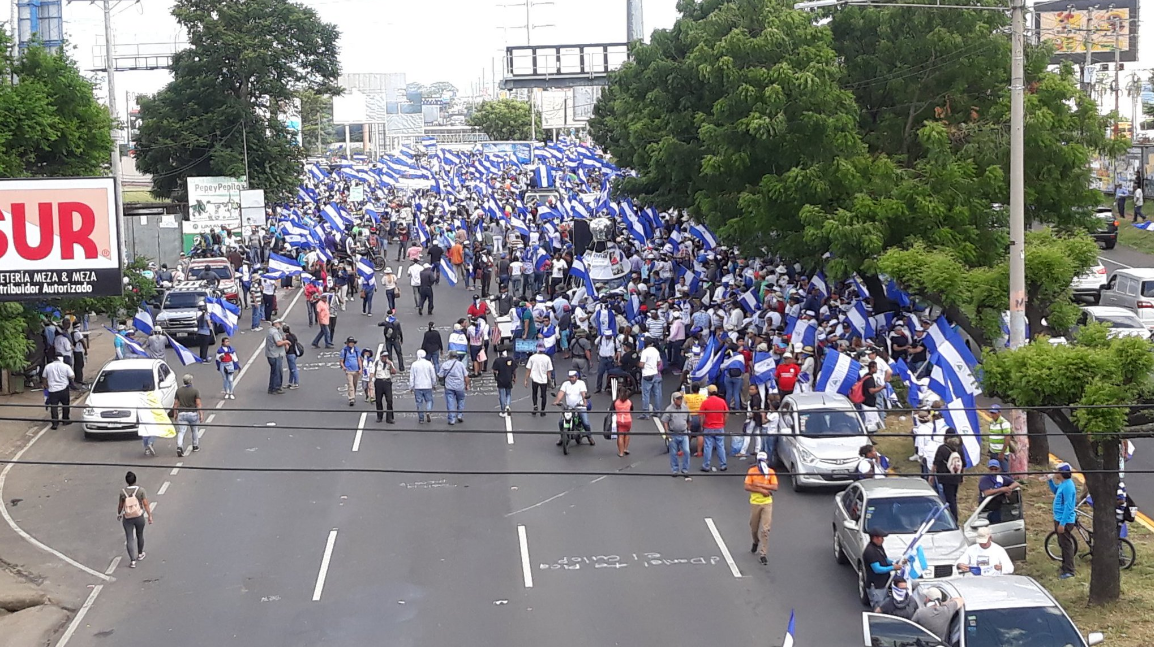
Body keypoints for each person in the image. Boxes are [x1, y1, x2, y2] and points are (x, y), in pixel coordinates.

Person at [745, 450, 778, 565]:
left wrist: (759, 485)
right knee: (754, 528)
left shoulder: (770, 472)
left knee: (765, 529)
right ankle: (755, 541)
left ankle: (763, 553)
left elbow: (774, 486)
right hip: (755, 502)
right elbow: (747, 486)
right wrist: (762, 490)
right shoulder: (752, 471)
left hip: (767, 503)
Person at [117, 471, 153, 569]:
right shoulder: (141, 490)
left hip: (127, 517)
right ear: (135, 480)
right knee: (139, 534)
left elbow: (120, 505)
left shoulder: (122, 492)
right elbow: (145, 504)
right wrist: (149, 515)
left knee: (129, 538)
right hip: (139, 516)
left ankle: (132, 561)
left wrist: (119, 513)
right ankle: (140, 554)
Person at [1049, 462, 1078, 579]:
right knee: (1062, 543)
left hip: (1064, 520)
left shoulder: (1069, 486)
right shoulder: (1063, 484)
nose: (1055, 473)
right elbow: (1056, 491)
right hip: (1058, 518)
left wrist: (1062, 523)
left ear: (1062, 474)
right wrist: (1050, 481)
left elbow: (1068, 506)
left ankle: (1069, 570)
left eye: (1057, 472)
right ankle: (1064, 566)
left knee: (1066, 545)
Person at [862, 529, 903, 609]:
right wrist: (893, 567)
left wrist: (896, 562)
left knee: (885, 604)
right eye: (881, 538)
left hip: (883, 583)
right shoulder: (870, 551)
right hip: (876, 586)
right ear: (875, 538)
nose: (883, 540)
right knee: (879, 607)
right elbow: (877, 569)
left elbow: (886, 560)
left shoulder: (879, 547)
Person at [932, 431, 964, 521]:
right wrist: (961, 477)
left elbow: (936, 463)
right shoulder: (959, 449)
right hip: (956, 477)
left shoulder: (942, 448)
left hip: (945, 478)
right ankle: (954, 516)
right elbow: (963, 464)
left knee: (948, 499)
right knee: (953, 497)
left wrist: (931, 475)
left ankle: (952, 518)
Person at [977, 460, 1020, 524]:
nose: (993, 471)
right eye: (991, 469)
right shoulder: (985, 479)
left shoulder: (1002, 478)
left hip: (1000, 507)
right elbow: (986, 493)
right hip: (987, 508)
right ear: (988, 469)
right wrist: (1001, 489)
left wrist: (1009, 489)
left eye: (996, 469)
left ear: (999, 469)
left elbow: (1016, 483)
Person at [698, 385, 729, 472]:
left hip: (708, 427)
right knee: (720, 446)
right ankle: (723, 465)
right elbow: (726, 413)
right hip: (719, 426)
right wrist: (723, 423)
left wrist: (702, 425)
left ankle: (706, 465)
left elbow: (701, 416)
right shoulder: (722, 401)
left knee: (708, 447)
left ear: (709, 392)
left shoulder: (705, 402)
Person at [171, 374, 202, 457]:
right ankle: (195, 445)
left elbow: (176, 404)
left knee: (181, 431)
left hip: (182, 413)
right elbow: (198, 403)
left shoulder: (179, 391)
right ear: (190, 381)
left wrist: (175, 414)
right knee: (194, 430)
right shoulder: (195, 391)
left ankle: (179, 446)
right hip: (192, 413)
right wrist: (201, 414)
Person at [661, 392, 692, 477]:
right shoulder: (669, 409)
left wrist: (688, 429)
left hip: (684, 432)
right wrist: (666, 432)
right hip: (673, 433)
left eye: (681, 398)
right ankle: (675, 470)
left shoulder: (685, 408)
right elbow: (665, 421)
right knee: (673, 453)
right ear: (674, 400)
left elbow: (689, 419)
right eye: (678, 399)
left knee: (686, 451)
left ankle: (685, 470)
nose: (680, 400)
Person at [438, 350, 470, 425]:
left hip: (449, 386)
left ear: (449, 356)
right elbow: (466, 375)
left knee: (450, 402)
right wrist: (467, 384)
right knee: (461, 400)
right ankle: (459, 415)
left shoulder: (445, 364)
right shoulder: (460, 364)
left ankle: (452, 419)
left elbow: (440, 375)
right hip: (459, 386)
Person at [44, 355, 75, 429]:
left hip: (52, 390)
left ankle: (55, 424)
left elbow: (44, 377)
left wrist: (45, 385)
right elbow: (72, 376)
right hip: (64, 389)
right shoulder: (66, 366)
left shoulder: (48, 366)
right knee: (65, 405)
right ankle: (65, 420)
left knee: (54, 407)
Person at [409, 349, 437, 423]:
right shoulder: (429, 363)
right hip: (427, 385)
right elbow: (433, 375)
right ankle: (428, 411)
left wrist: (411, 386)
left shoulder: (414, 364)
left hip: (418, 386)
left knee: (419, 402)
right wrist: (434, 384)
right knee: (429, 400)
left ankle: (421, 418)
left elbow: (412, 377)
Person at [525, 344, 554, 416]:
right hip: (543, 380)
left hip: (534, 379)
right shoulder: (547, 358)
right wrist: (550, 380)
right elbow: (549, 371)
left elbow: (528, 369)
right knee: (544, 395)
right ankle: (542, 410)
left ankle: (535, 405)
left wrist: (526, 379)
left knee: (534, 393)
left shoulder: (532, 357)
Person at [638, 338, 663, 420]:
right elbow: (659, 362)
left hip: (647, 375)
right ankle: (657, 411)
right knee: (657, 394)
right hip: (655, 374)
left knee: (646, 394)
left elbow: (642, 364)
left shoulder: (644, 352)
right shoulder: (656, 351)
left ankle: (646, 413)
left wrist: (638, 364)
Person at [265, 320, 289, 394]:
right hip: (275, 355)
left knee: (273, 372)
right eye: (279, 323)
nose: (280, 325)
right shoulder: (274, 332)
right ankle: (276, 388)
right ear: (275, 324)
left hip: (270, 354)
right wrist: (286, 342)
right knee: (277, 372)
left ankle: (271, 388)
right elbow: (278, 343)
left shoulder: (270, 331)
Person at [372, 351, 397, 424]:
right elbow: (372, 372)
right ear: (381, 357)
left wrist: (391, 365)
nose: (385, 358)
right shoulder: (376, 363)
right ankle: (379, 416)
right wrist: (371, 382)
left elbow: (394, 372)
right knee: (378, 400)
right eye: (384, 356)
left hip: (387, 381)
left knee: (389, 400)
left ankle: (389, 418)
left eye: (386, 356)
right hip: (379, 381)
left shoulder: (390, 363)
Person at [492, 347, 517, 417]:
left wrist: (495, 377)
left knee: (502, 395)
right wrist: (514, 377)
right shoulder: (511, 359)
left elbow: (494, 370)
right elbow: (514, 370)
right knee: (508, 394)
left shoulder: (497, 360)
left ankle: (503, 410)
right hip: (509, 379)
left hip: (500, 379)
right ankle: (508, 405)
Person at [986, 404, 1011, 473]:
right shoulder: (991, 422)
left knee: (1004, 472)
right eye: (991, 413)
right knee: (993, 471)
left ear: (999, 413)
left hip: (1001, 452)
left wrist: (1002, 452)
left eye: (994, 413)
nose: (992, 415)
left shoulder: (1004, 423)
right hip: (993, 451)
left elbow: (1007, 438)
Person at [340, 337, 362, 407]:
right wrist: (343, 367)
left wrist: (361, 368)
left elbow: (359, 359)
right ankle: (351, 398)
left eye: (352, 343)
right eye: (350, 343)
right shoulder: (344, 351)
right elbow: (341, 361)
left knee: (355, 384)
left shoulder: (356, 350)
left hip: (356, 370)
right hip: (349, 370)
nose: (351, 344)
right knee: (350, 384)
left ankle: (353, 395)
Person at [613, 388, 634, 457]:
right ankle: (625, 448)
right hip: (628, 420)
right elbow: (632, 409)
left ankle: (621, 452)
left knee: (620, 436)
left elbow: (611, 409)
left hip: (620, 420)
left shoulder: (616, 402)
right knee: (627, 434)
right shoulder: (629, 402)